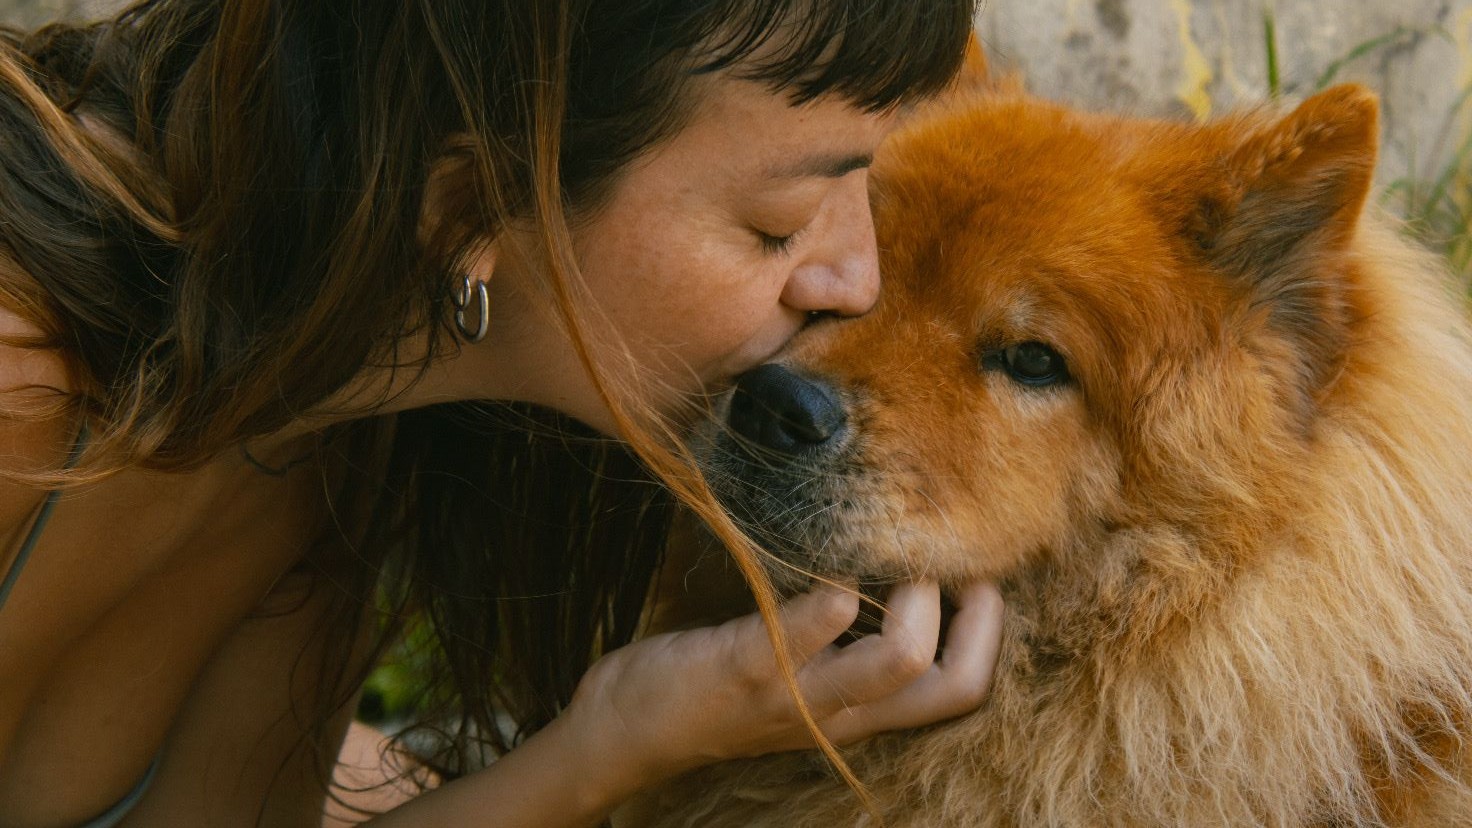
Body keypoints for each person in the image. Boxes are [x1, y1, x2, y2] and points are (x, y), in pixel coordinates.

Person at [0, 1, 1005, 825]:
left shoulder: (341, 421)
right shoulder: (19, 379)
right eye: (776, 223)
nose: (855, 281)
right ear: (464, 205)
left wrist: (621, 736)